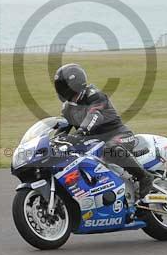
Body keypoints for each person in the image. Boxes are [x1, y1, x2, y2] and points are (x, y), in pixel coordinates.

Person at [53, 63, 155, 198]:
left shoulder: (95, 95)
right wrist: (55, 142)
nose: (61, 89)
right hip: (94, 143)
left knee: (110, 148)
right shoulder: (67, 108)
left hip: (119, 135)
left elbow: (94, 115)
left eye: (63, 85)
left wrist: (81, 132)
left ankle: (145, 177)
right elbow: (64, 128)